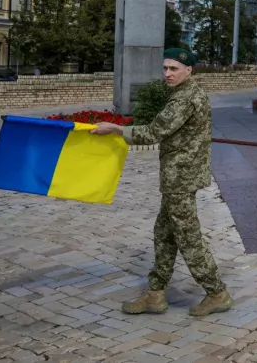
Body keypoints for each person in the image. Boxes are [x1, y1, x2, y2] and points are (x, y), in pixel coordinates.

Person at [91, 48, 232, 317]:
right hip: (178, 176)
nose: (167, 74)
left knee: (188, 238)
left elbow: (154, 132)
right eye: (165, 68)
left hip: (181, 178)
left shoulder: (184, 99)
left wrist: (115, 129)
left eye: (174, 69)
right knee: (164, 235)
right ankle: (155, 294)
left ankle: (217, 292)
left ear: (188, 70)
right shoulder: (186, 93)